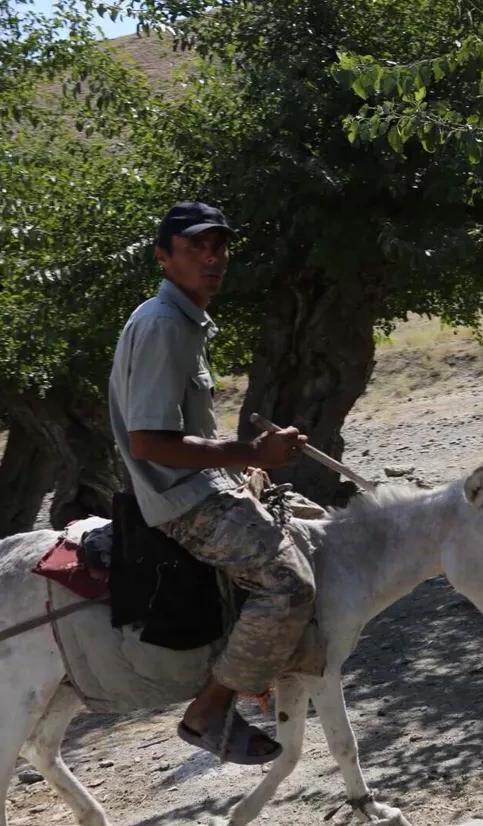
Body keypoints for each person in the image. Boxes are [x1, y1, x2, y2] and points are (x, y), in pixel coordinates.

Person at [108, 201, 315, 764]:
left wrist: (239, 464)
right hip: (182, 500)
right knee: (289, 583)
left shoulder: (182, 320)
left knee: (311, 524)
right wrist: (251, 451)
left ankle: (265, 667)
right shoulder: (164, 326)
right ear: (163, 256)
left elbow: (180, 429)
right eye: (195, 246)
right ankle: (210, 710)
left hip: (199, 483)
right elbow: (149, 440)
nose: (211, 257)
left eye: (218, 246)